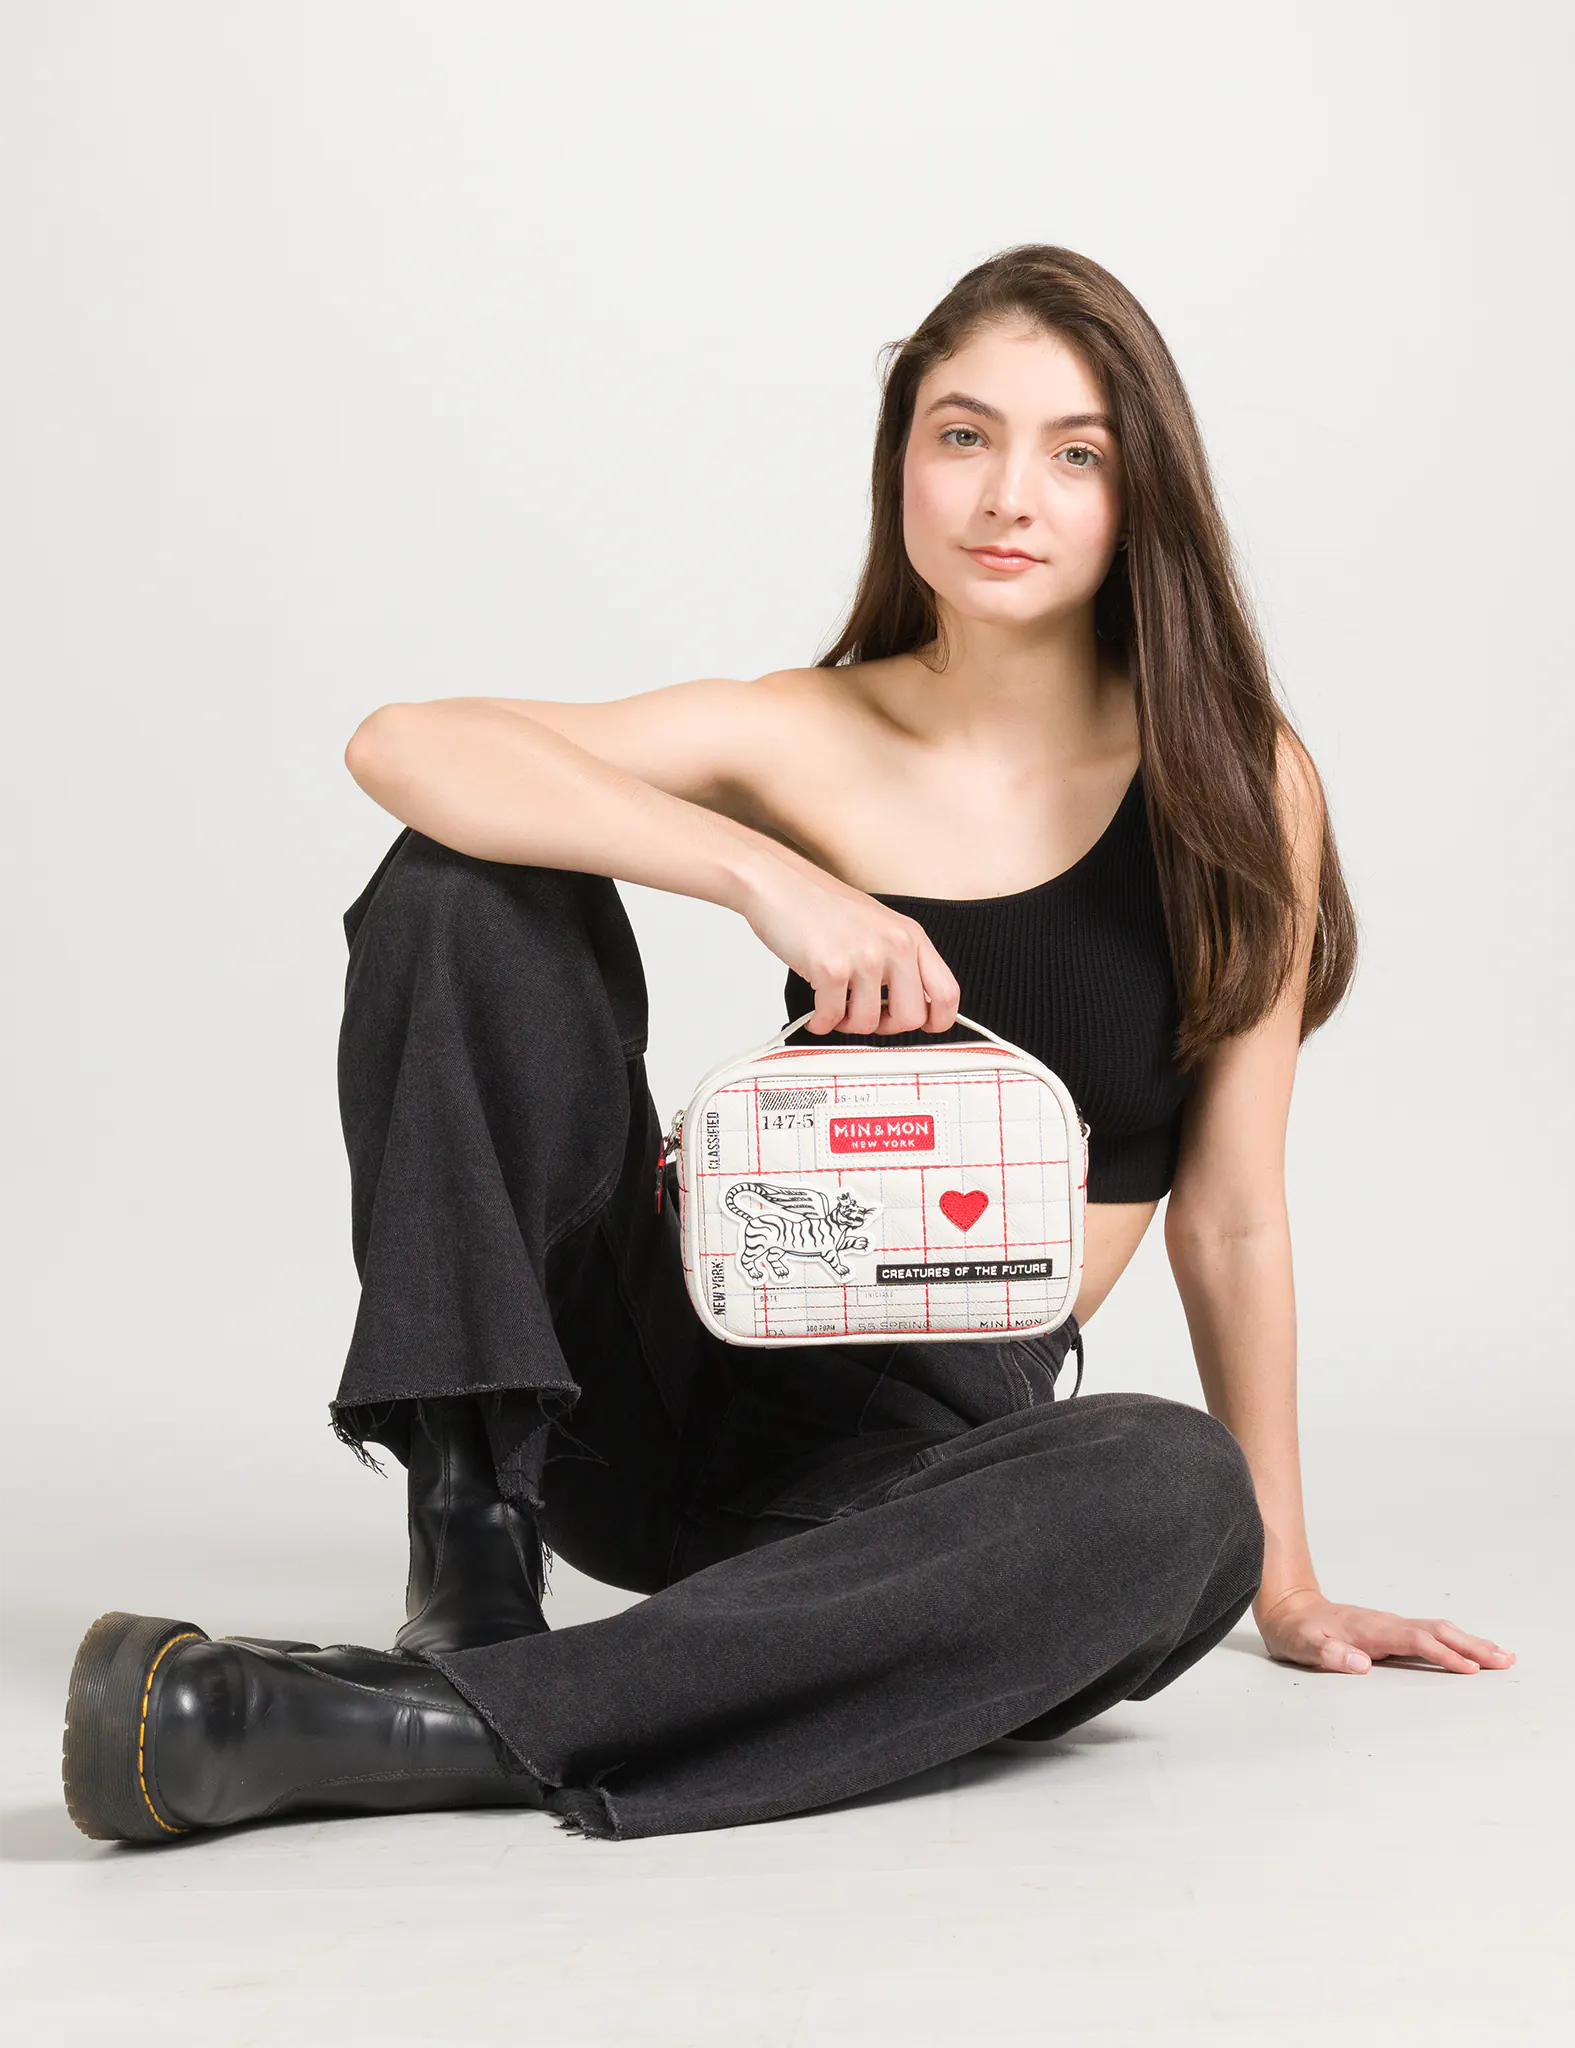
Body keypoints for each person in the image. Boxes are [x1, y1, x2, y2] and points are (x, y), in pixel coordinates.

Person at [61, 242, 1513, 1848]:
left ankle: (395, 1726)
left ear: (1140, 492)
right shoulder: (805, 730)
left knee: (1175, 1496)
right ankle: (471, 1556)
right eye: (962, 435)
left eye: (1074, 453)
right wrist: (769, 879)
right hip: (637, 1375)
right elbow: (406, 746)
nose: (1007, 495)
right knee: (463, 875)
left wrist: (1287, 1582)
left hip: (903, 1476)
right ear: (902, 460)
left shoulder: (1236, 781)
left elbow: (1230, 1216)